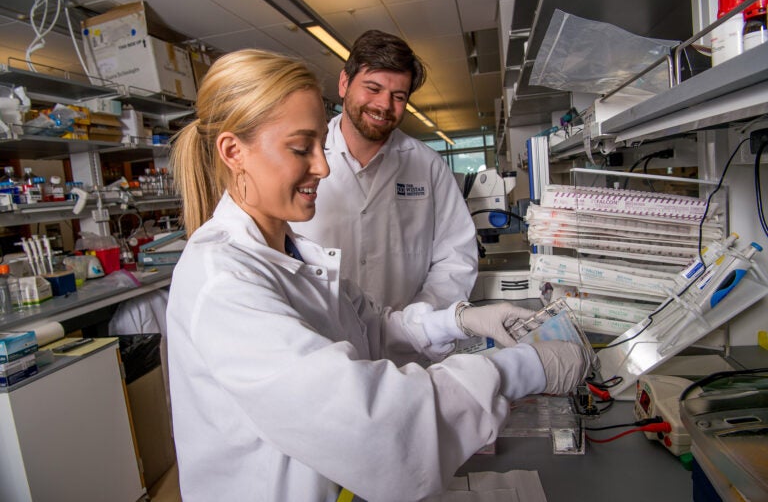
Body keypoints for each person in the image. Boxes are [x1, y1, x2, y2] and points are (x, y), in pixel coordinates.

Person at [167, 48, 591, 501]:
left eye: (319, 145)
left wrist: (457, 321)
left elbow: (369, 324)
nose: (323, 166)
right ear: (234, 151)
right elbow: (366, 421)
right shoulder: (222, 285)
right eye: (301, 147)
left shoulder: (291, 253)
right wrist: (519, 369)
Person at [291, 29, 477, 311]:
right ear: (344, 83)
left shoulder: (428, 165)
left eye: (398, 96)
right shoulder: (299, 158)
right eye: (373, 88)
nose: (384, 105)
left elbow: (456, 256)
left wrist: (417, 322)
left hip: (410, 344)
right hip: (322, 339)